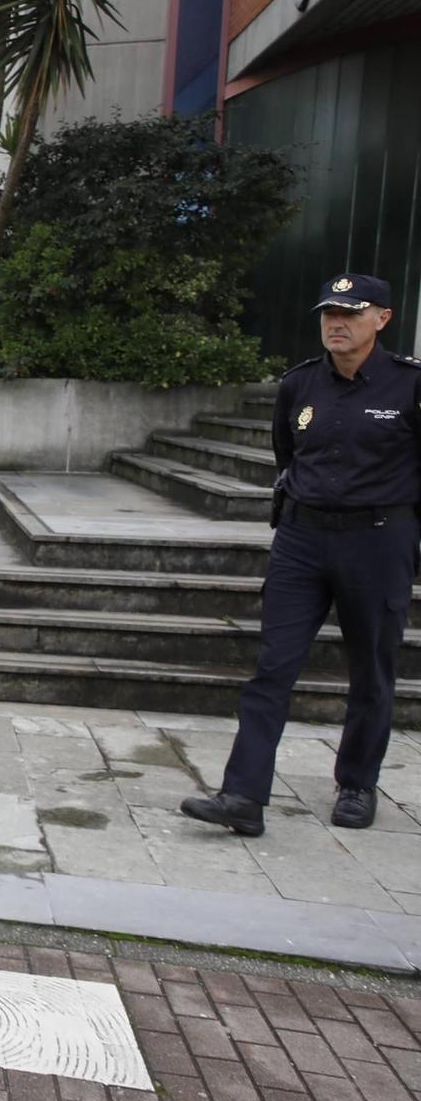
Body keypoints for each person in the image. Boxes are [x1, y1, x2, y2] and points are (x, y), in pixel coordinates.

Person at [182, 273, 416, 838]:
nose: (336, 324)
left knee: (371, 672)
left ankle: (357, 783)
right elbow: (287, 453)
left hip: (378, 541)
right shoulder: (301, 385)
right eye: (329, 314)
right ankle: (242, 795)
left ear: (381, 319)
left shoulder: (408, 385)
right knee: (272, 668)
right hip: (302, 541)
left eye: (351, 314)